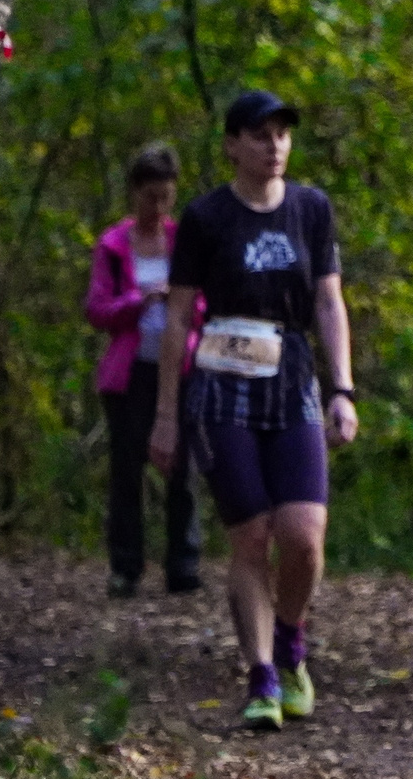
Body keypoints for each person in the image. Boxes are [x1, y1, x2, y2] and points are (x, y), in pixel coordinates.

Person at [149, 92, 357, 731]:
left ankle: (291, 639)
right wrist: (166, 415)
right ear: (232, 145)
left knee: (302, 536)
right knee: (251, 536)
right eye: (261, 136)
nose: (275, 147)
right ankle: (262, 674)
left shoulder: (310, 208)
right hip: (220, 382)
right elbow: (178, 315)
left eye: (283, 136)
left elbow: (328, 302)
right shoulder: (207, 216)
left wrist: (343, 388)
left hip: (290, 375)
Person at [87, 144, 204, 599]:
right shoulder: (113, 246)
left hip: (182, 365)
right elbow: (97, 310)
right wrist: (141, 299)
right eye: (150, 196)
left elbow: (205, 302)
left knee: (183, 466)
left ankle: (184, 564)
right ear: (134, 193)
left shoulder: (184, 242)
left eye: (166, 196)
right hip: (129, 371)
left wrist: (181, 303)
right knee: (126, 470)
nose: (158, 206)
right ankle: (126, 566)